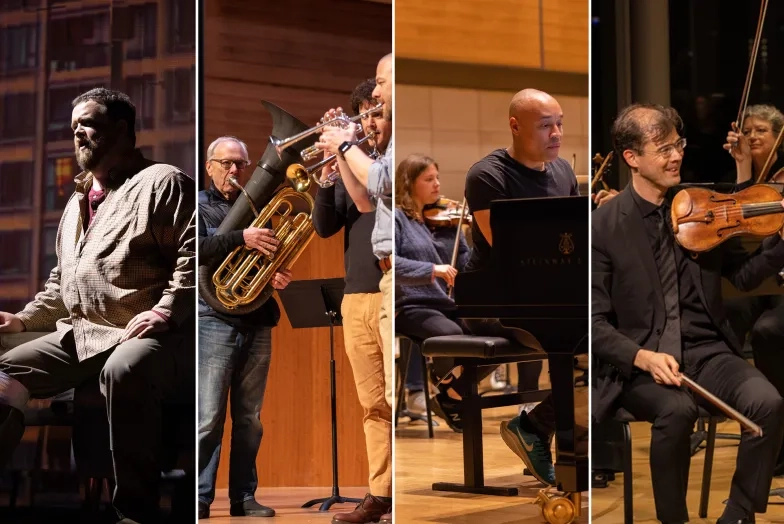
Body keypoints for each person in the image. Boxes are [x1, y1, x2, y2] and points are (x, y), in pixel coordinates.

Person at [0, 88, 195, 524]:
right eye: (73, 128)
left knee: (122, 369)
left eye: (86, 124)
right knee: (5, 365)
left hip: (148, 333)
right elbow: (61, 283)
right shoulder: (76, 203)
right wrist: (24, 319)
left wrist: (164, 311)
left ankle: (134, 513)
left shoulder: (163, 182)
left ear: (122, 129)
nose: (77, 134)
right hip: (83, 334)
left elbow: (194, 256)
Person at [592, 103, 784, 524]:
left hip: (707, 351)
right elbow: (592, 322)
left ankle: (737, 514)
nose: (676, 155)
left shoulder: (700, 208)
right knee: (676, 412)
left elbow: (745, 277)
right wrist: (641, 357)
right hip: (643, 364)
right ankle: (673, 519)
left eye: (677, 144)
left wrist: (781, 243)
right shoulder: (604, 226)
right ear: (632, 158)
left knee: (767, 403)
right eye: (662, 149)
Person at [462, 88, 587, 487]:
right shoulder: (488, 175)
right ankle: (564, 450)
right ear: (515, 126)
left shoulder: (564, 172)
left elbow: (573, 247)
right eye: (546, 125)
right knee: (582, 342)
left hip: (550, 296)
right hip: (493, 300)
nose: (557, 134)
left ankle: (538, 427)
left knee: (616, 337)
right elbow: (513, 254)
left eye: (560, 124)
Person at [197, 136, 293, 519]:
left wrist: (277, 275)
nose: (235, 171)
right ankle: (200, 498)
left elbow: (273, 254)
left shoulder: (261, 207)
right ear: (209, 166)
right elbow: (191, 251)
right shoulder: (197, 207)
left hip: (257, 317)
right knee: (208, 418)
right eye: (226, 163)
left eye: (241, 164)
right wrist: (242, 237)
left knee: (250, 418)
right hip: (213, 320)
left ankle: (243, 498)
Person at [310, 78, 393, 524]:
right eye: (364, 117)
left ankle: (399, 491)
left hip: (388, 291)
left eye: (376, 114)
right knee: (372, 404)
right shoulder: (351, 165)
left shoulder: (384, 167)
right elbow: (325, 226)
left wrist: (347, 154)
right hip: (355, 295)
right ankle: (380, 493)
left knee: (396, 400)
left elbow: (367, 203)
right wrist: (328, 171)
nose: (370, 124)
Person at [723, 104, 784, 477]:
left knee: (768, 331)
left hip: (777, 279)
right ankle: (739, 404)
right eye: (748, 129)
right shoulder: (755, 181)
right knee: (727, 311)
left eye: (761, 130)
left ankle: (775, 429)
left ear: (779, 136)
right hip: (764, 277)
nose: (753, 135)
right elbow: (744, 224)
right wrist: (742, 167)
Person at [393, 154, 472, 431]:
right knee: (456, 337)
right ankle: (450, 388)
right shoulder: (397, 219)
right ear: (408, 183)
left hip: (447, 303)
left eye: (437, 177)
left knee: (494, 331)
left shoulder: (448, 221)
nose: (437, 184)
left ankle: (450, 391)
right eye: (429, 179)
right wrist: (433, 269)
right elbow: (391, 263)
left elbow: (464, 261)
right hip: (410, 305)